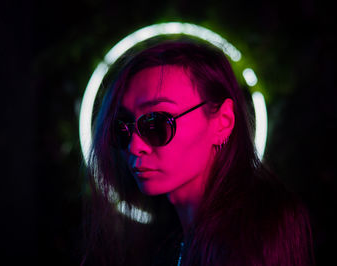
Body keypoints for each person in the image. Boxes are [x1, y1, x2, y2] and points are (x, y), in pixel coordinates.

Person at [82, 38, 314, 266]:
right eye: (122, 127)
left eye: (156, 123)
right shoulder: (172, 235)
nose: (134, 146)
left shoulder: (261, 226)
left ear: (222, 122)